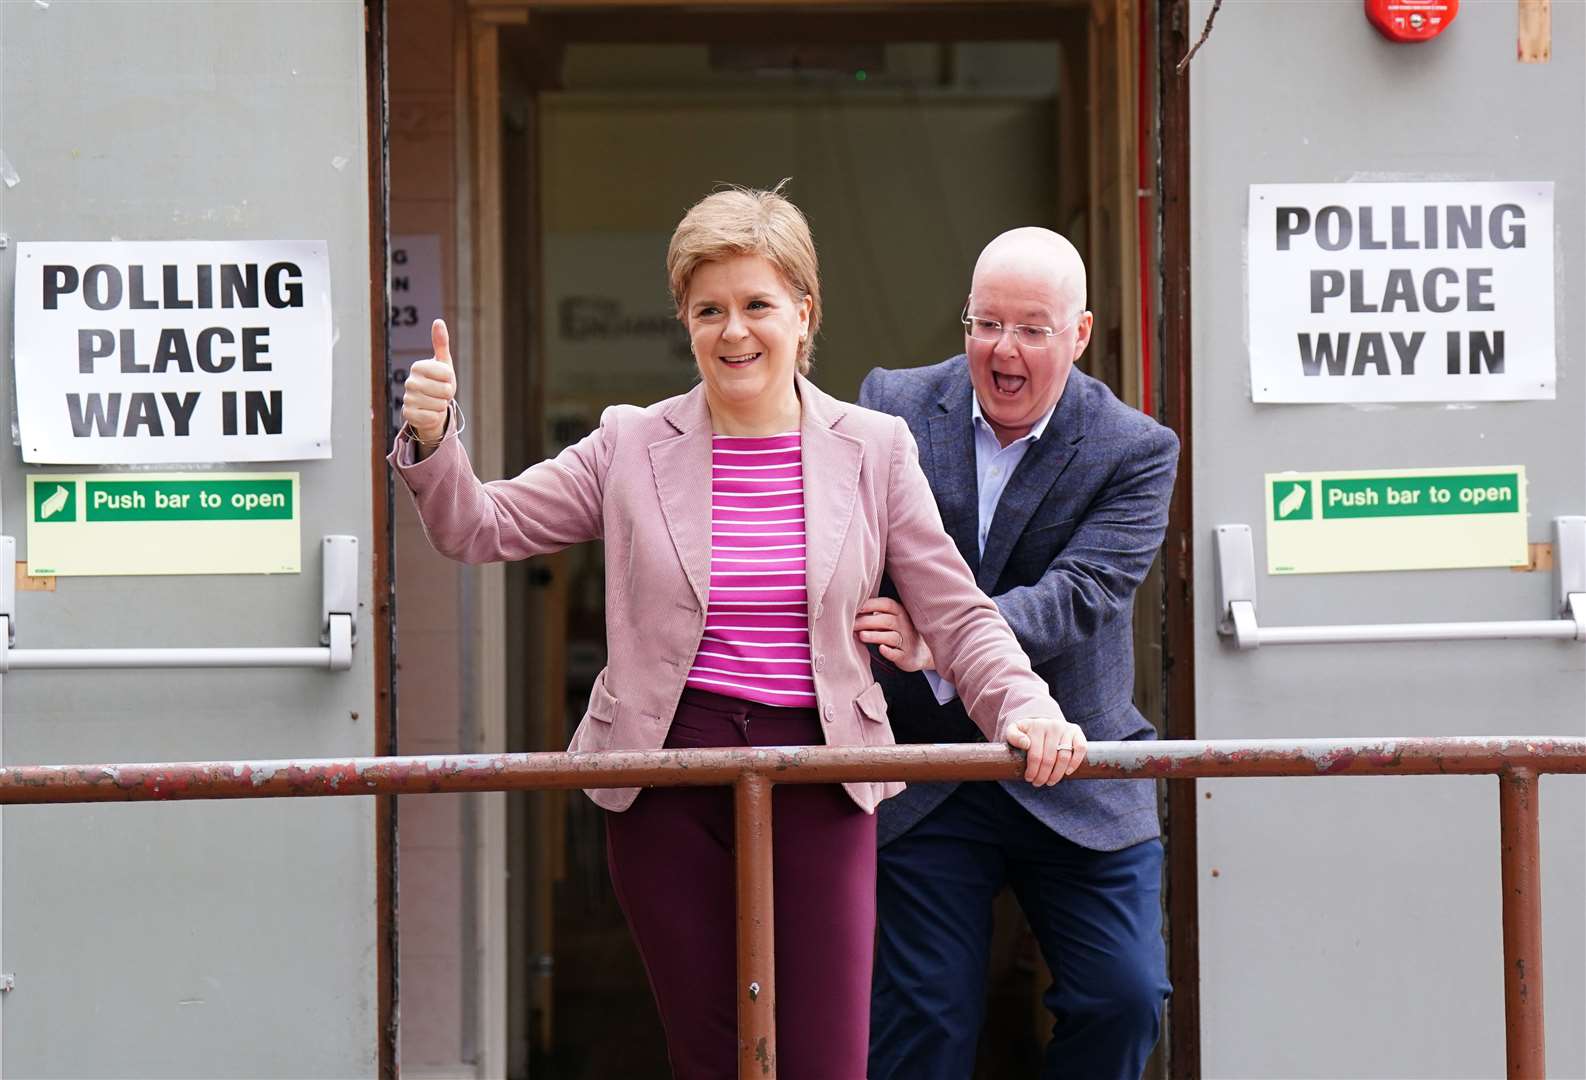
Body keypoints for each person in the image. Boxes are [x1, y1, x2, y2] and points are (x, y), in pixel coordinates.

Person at [389, 188, 1089, 1080]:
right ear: (683, 320)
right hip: (664, 780)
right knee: (714, 1057)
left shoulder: (874, 447)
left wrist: (1025, 706)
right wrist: (434, 433)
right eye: (708, 309)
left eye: (757, 304)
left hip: (824, 773)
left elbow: (955, 611)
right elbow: (479, 527)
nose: (734, 332)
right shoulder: (630, 442)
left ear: (804, 312)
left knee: (826, 1058)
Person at [856, 227, 1180, 1080]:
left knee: (1124, 999)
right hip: (924, 771)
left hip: (1072, 764)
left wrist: (943, 640)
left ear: (1078, 335)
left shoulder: (1135, 448)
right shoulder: (890, 405)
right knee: (922, 1017)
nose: (1003, 350)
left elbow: (1084, 593)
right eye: (985, 323)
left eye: (1033, 329)